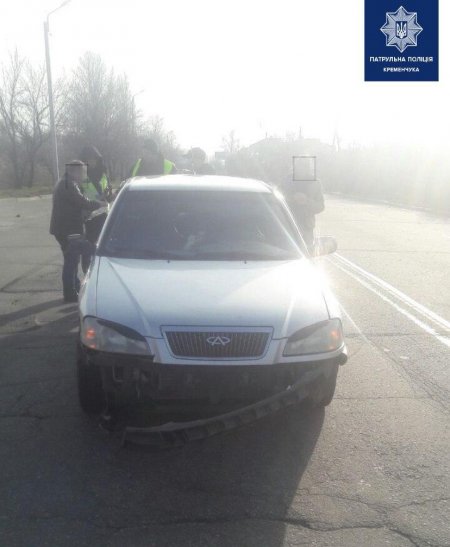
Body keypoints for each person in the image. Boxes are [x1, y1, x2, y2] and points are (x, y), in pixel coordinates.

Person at [50, 160, 103, 302]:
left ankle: (74, 289)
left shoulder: (65, 183)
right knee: (71, 261)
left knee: (72, 260)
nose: (84, 175)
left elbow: (74, 205)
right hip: (68, 229)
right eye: (83, 172)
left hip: (64, 228)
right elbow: (82, 202)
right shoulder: (68, 185)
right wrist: (100, 204)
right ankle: (70, 294)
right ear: (74, 171)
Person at [278, 177, 325, 250]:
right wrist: (292, 198)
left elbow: (320, 206)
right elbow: (276, 199)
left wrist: (306, 201)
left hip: (307, 229)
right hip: (287, 228)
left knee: (307, 252)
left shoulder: (315, 183)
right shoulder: (286, 181)